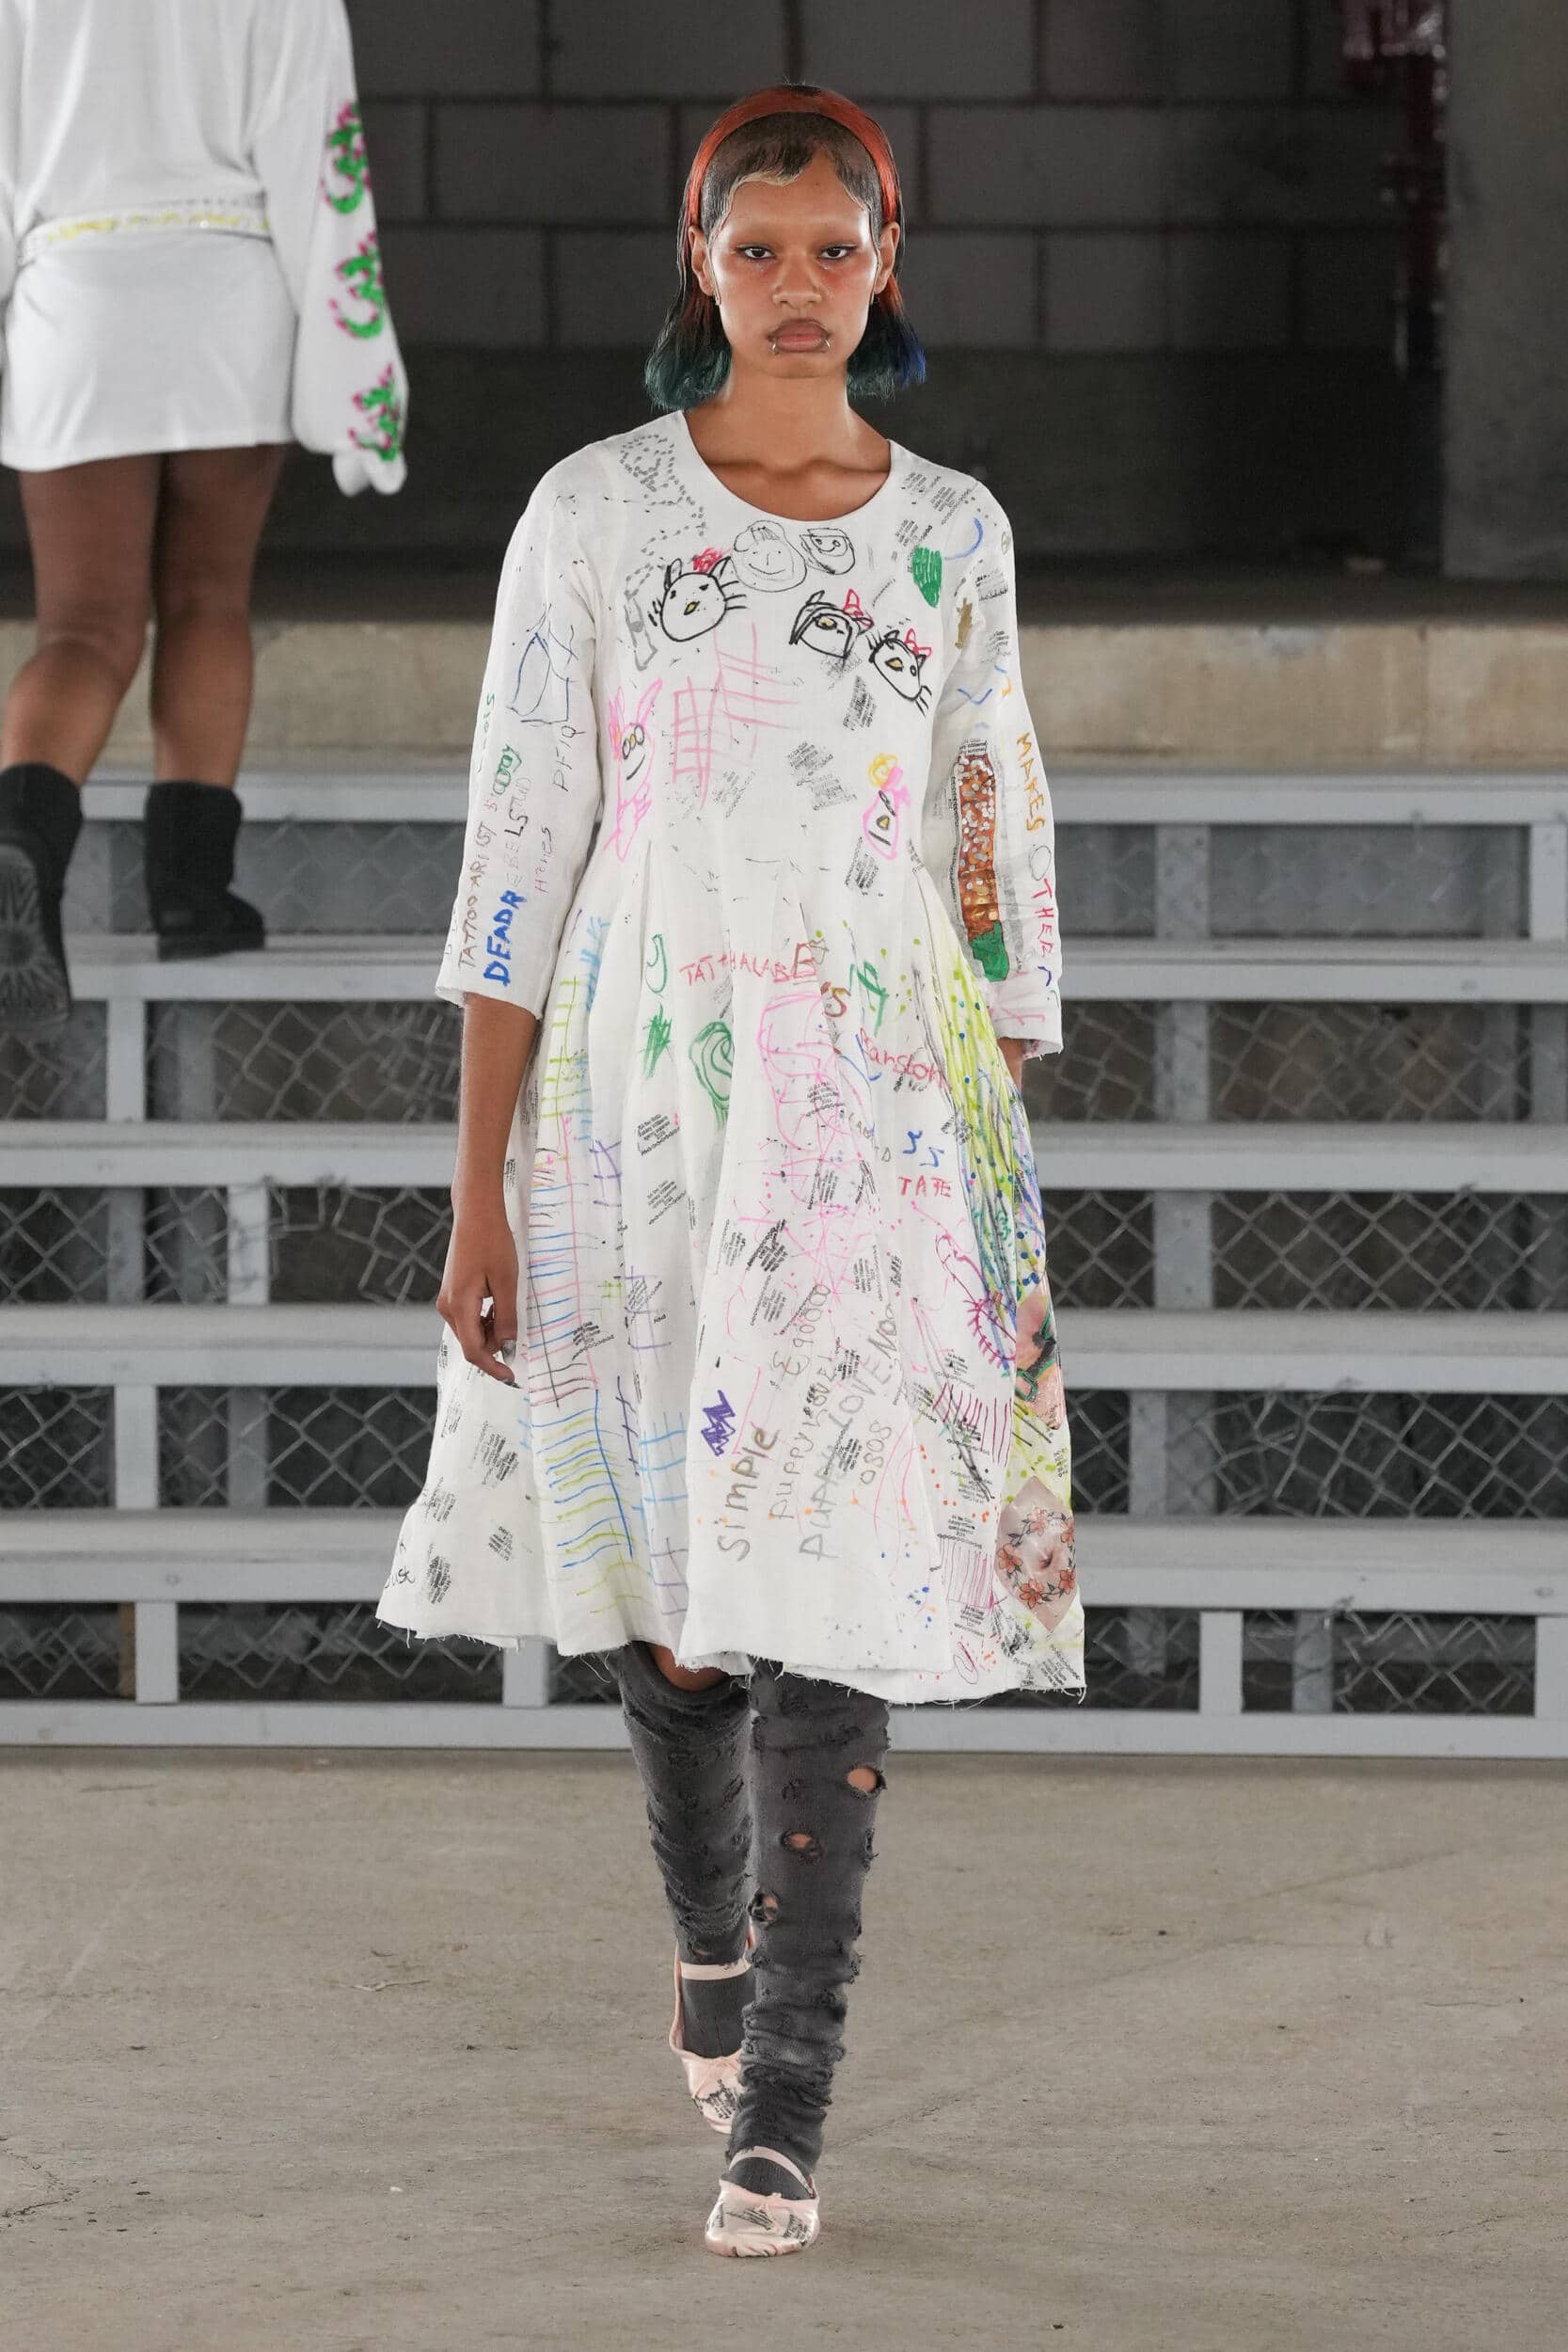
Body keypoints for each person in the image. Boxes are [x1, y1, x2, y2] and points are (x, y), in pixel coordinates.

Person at [376, 83, 1083, 2259]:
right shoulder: (594, 517)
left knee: (828, 1591)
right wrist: (478, 1187)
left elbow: (986, 833)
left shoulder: (947, 534)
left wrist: (982, 1141)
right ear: (697, 261)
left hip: (869, 1114)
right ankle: (707, 1930)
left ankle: (782, 2101)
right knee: (684, 1625)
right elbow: (520, 846)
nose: (795, 285)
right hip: (633, 1110)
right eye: (754, 247)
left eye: (831, 249)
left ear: (887, 265)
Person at [0, 0, 407, 1035]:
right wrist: (360, 381)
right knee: (207, 597)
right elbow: (323, 168)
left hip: (74, 298)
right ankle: (190, 892)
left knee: (83, 627)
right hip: (229, 299)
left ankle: (21, 839)